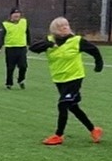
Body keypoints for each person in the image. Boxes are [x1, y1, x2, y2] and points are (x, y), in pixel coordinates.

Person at [28, 17, 104, 145]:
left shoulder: (76, 40)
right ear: (54, 30)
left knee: (63, 104)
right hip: (59, 79)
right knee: (73, 106)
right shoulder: (50, 41)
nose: (65, 28)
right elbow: (33, 48)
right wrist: (50, 45)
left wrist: (99, 64)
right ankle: (93, 129)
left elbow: (94, 51)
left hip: (74, 78)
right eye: (61, 26)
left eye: (66, 25)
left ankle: (58, 135)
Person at [0, 8, 30, 89]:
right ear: (11, 15)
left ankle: (21, 80)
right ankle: (9, 83)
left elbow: (28, 33)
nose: (17, 16)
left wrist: (30, 43)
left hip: (22, 47)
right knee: (10, 67)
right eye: (15, 15)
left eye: (18, 15)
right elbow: (1, 36)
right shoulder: (5, 24)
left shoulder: (24, 22)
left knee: (23, 66)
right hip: (10, 48)